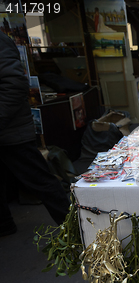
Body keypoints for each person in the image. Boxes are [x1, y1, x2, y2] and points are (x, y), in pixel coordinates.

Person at [0, 31, 71, 237]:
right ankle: (4, 225)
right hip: (8, 127)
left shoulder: (1, 43)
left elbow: (14, 85)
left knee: (39, 178)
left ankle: (74, 227)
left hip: (11, 130)